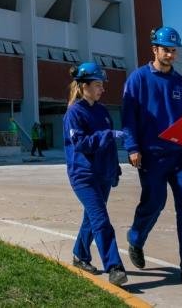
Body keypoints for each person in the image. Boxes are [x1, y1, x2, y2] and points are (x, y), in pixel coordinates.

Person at [121, 26, 182, 287]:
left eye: (174, 51)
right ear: (154, 49)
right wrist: (132, 148)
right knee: (155, 202)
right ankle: (136, 237)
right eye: (166, 50)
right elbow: (128, 118)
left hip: (181, 155)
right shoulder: (138, 80)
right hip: (151, 155)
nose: (171, 55)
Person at [63, 61, 128, 287]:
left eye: (102, 84)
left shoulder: (101, 111)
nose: (102, 89)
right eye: (98, 84)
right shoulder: (74, 113)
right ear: (84, 86)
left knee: (91, 218)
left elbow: (108, 145)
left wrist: (115, 169)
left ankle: (80, 255)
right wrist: (107, 135)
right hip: (83, 176)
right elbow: (81, 144)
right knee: (101, 220)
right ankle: (114, 267)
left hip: (103, 174)